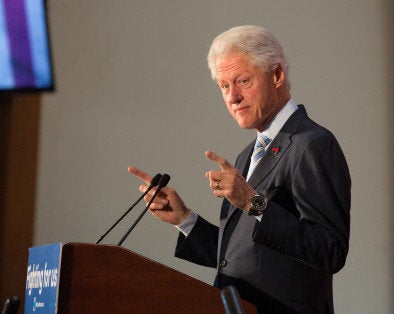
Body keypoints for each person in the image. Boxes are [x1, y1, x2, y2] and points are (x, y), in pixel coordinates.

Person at [129, 25, 351, 313]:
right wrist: (184, 219)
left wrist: (252, 203)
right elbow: (240, 258)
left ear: (277, 76)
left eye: (243, 81)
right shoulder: (248, 155)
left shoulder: (312, 144)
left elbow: (330, 250)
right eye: (224, 86)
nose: (232, 97)